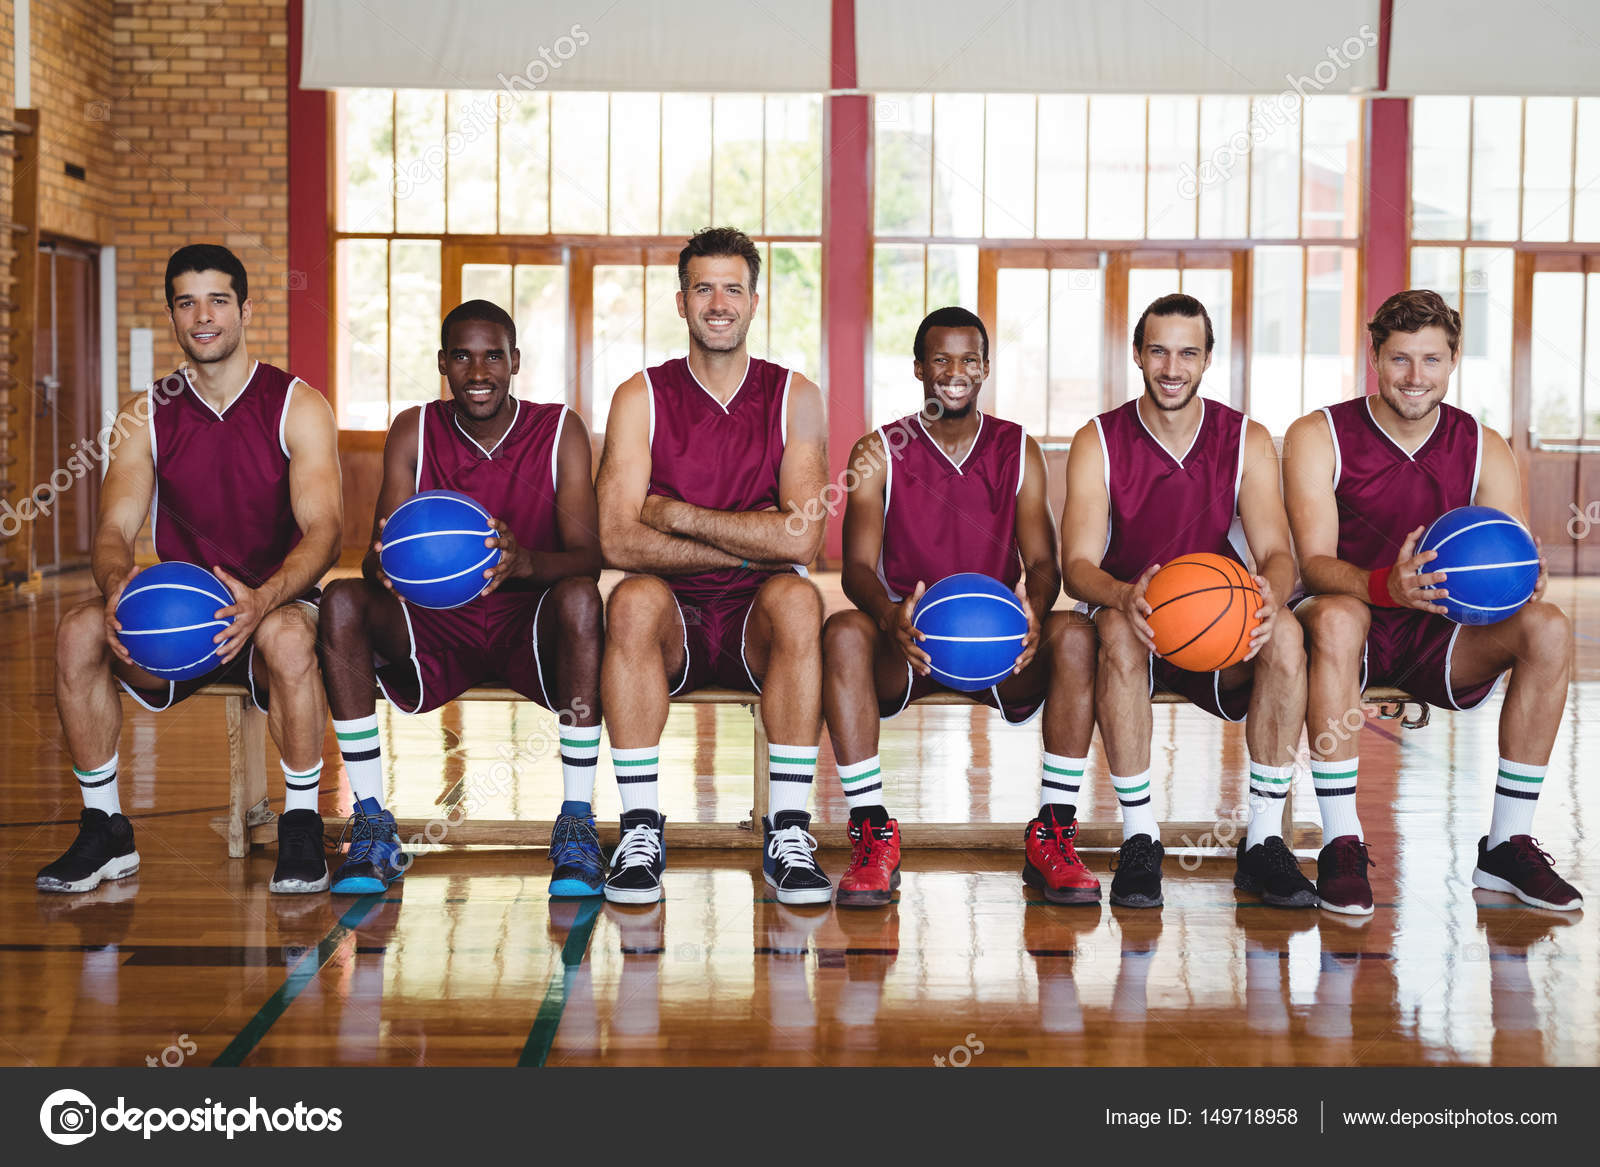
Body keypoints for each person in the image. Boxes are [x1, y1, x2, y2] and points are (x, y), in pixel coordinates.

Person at [38, 244, 343, 895]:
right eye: (186, 302)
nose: (202, 316)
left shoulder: (297, 404)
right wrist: (117, 583)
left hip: (277, 602)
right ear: (173, 315)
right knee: (76, 630)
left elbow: (325, 531)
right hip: (180, 616)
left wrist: (263, 598)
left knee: (289, 636)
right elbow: (114, 528)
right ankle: (106, 827)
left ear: (245, 309)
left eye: (217, 300)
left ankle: (299, 821)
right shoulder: (143, 413)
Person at [1283, 288, 1579, 914]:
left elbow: (1512, 554)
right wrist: (1386, 585)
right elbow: (1312, 565)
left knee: (1548, 626)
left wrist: (1524, 580)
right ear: (1374, 357)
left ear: (1453, 360)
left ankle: (1506, 845)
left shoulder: (1483, 445)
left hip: (1441, 632)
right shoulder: (1319, 434)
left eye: (1432, 360)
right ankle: (1340, 840)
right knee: (1336, 617)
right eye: (1399, 360)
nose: (1416, 377)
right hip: (1352, 619)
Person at [316, 300, 605, 895]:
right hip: (433, 624)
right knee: (341, 599)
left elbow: (588, 557)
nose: (479, 373)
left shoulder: (559, 429)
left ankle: (576, 822)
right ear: (443, 363)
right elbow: (376, 552)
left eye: (493, 355)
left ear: (515, 361)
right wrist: (384, 569)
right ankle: (371, 821)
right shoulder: (413, 429)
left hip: (527, 623)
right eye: (464, 357)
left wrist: (525, 562)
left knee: (580, 598)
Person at [821, 306, 1100, 908]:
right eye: (941, 360)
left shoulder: (1015, 447)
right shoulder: (879, 450)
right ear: (919, 368)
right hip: (911, 643)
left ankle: (1053, 829)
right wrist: (889, 615)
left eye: (969, 360)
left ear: (986, 368)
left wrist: (1035, 611)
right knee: (844, 630)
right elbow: (856, 569)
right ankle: (872, 829)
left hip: (997, 642)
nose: (955, 372)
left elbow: (1044, 562)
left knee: (1074, 634)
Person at [595, 227, 829, 905]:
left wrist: (678, 513)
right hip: (675, 617)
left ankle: (786, 830)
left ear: (756, 301)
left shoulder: (796, 397)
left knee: (800, 599)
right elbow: (615, 538)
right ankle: (640, 828)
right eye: (704, 287)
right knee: (630, 598)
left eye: (733, 287)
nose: (718, 302)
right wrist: (751, 538)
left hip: (760, 615)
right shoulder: (639, 395)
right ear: (681, 301)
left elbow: (803, 541)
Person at [1061, 293, 1311, 910]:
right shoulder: (1099, 440)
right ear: (1139, 356)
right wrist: (1125, 595)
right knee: (1118, 631)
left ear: (1207, 360)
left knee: (1285, 634)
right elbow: (1076, 568)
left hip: (1218, 621)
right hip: (1132, 612)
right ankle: (1140, 838)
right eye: (1159, 351)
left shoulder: (1245, 439)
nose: (1172, 368)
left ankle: (1262, 840)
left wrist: (1267, 596)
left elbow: (1279, 553)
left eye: (1187, 353)